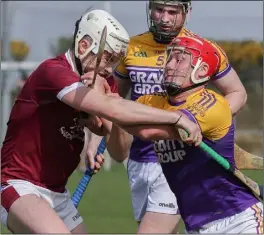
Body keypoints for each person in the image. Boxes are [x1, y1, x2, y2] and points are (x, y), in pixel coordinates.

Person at [0, 9, 202, 234]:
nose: (109, 69)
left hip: (57, 193)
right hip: (18, 184)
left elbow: (119, 152)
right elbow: (113, 108)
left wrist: (110, 123)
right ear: (84, 46)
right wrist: (175, 117)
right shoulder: (53, 72)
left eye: (115, 61)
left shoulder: (104, 82)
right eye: (107, 58)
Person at [110, 0, 248, 233]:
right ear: (149, 9)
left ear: (186, 13)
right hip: (139, 160)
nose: (164, 18)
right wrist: (96, 142)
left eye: (172, 12)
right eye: (159, 10)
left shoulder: (203, 49)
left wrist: (205, 123)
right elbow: (114, 100)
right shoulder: (130, 47)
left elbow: (238, 93)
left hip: (181, 156)